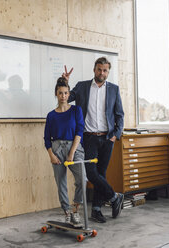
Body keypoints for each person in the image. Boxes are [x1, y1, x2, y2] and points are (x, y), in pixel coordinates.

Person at [63, 57, 125, 223]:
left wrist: (115, 135)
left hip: (107, 138)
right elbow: (66, 98)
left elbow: (120, 114)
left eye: (105, 70)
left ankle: (96, 210)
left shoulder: (113, 89)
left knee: (101, 173)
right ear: (94, 69)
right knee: (91, 172)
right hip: (89, 138)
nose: (102, 73)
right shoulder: (83, 86)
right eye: (99, 69)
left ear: (108, 72)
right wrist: (65, 82)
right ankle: (114, 197)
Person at [44, 77, 86, 227]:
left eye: (66, 93)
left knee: (83, 179)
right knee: (61, 183)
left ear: (69, 94)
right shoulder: (51, 115)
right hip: (56, 150)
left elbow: (79, 131)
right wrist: (51, 155)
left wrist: (72, 153)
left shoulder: (76, 110)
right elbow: (47, 139)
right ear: (56, 94)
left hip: (74, 147)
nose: (63, 96)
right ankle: (67, 213)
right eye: (60, 93)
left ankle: (76, 210)